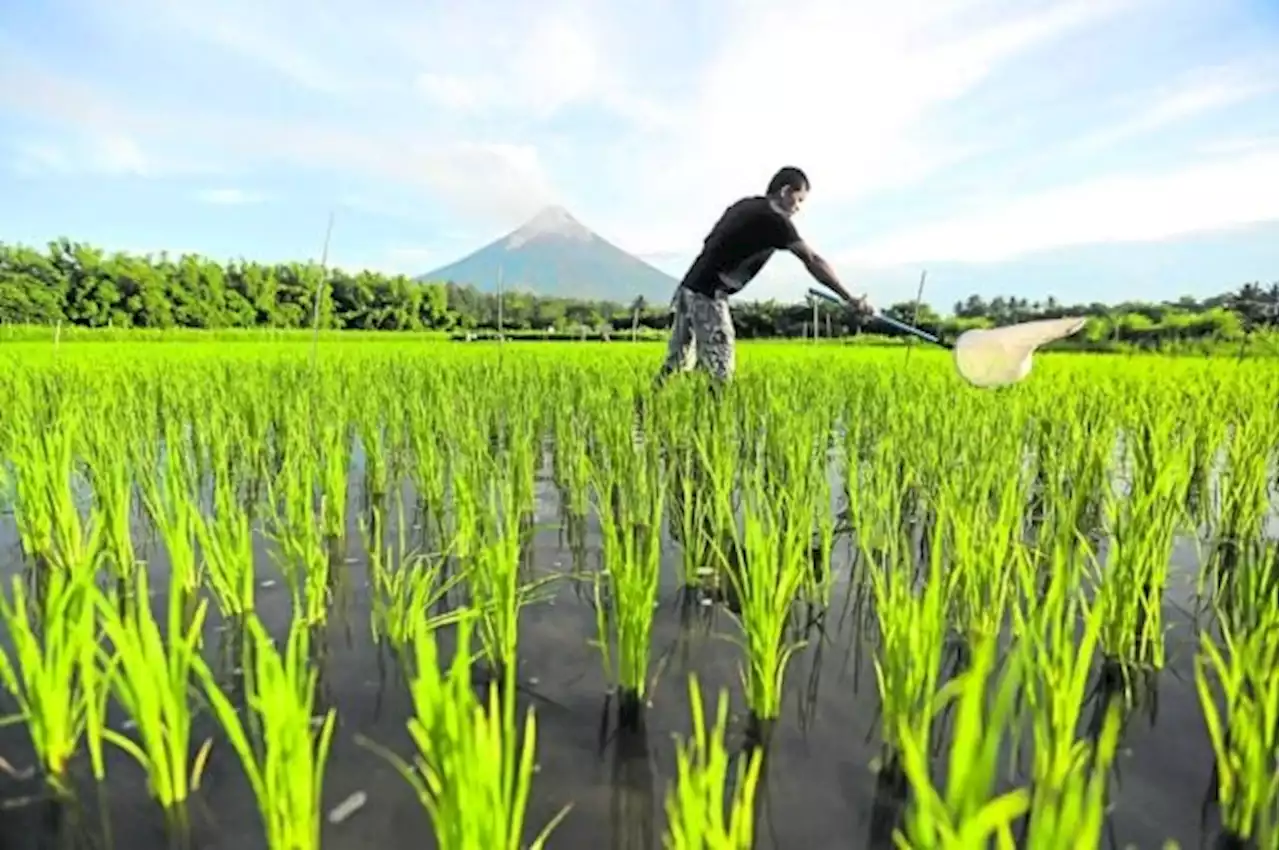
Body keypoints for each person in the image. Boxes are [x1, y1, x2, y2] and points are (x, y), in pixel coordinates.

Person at [655, 166, 872, 385]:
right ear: (785, 191)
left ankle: (646, 406)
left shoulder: (744, 205)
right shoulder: (776, 221)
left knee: (677, 361)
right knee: (720, 369)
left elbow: (709, 242)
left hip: (688, 288)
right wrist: (849, 298)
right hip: (709, 295)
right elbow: (812, 260)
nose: (798, 208)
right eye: (799, 200)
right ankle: (713, 417)